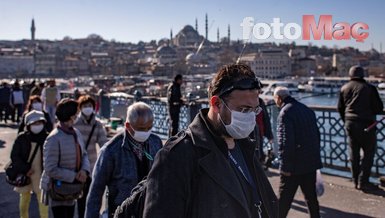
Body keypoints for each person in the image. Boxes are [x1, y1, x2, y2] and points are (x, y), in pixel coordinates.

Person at [143, 64, 278, 218]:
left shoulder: (246, 145)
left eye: (255, 110)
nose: (250, 117)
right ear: (216, 104)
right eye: (243, 110)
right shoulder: (176, 157)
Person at [86, 102, 163, 218]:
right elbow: (95, 192)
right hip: (122, 213)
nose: (146, 132)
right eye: (141, 128)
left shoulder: (156, 143)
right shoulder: (111, 151)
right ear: (128, 126)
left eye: (149, 128)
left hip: (150, 211)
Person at [273, 86, 322, 218]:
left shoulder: (285, 113)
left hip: (293, 166)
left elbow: (285, 142)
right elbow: (317, 136)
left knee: (284, 201)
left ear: (278, 98)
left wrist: (284, 167)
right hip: (310, 163)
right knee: (311, 199)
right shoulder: (307, 110)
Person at [40, 99, 90, 218]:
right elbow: (50, 168)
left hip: (73, 191)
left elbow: (84, 154)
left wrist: (84, 170)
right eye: (76, 114)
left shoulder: (75, 133)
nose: (78, 116)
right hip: (59, 191)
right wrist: (74, 176)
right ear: (71, 116)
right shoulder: (53, 138)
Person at [337, 65, 384, 191]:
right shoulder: (369, 88)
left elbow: (340, 108)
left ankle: (355, 180)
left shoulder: (344, 88)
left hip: (350, 124)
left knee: (354, 153)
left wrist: (346, 121)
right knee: (368, 153)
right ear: (363, 75)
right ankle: (363, 181)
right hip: (366, 124)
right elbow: (378, 108)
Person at [74, 95, 108, 218]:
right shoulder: (74, 123)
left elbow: (104, 143)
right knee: (79, 196)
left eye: (89, 106)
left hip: (92, 165)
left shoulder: (97, 124)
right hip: (77, 165)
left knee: (91, 195)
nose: (87, 108)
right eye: (84, 106)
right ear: (80, 108)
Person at [10, 110, 49, 218]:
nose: (38, 126)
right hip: (25, 174)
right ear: (28, 125)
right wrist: (25, 169)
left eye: (40, 123)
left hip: (41, 173)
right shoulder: (22, 138)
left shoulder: (47, 138)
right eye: (34, 123)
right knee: (24, 203)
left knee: (43, 204)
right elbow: (14, 156)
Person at [255, 83, 274, 168]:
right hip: (250, 134)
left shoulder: (260, 101)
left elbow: (265, 118)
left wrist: (269, 135)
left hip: (259, 133)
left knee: (259, 155)